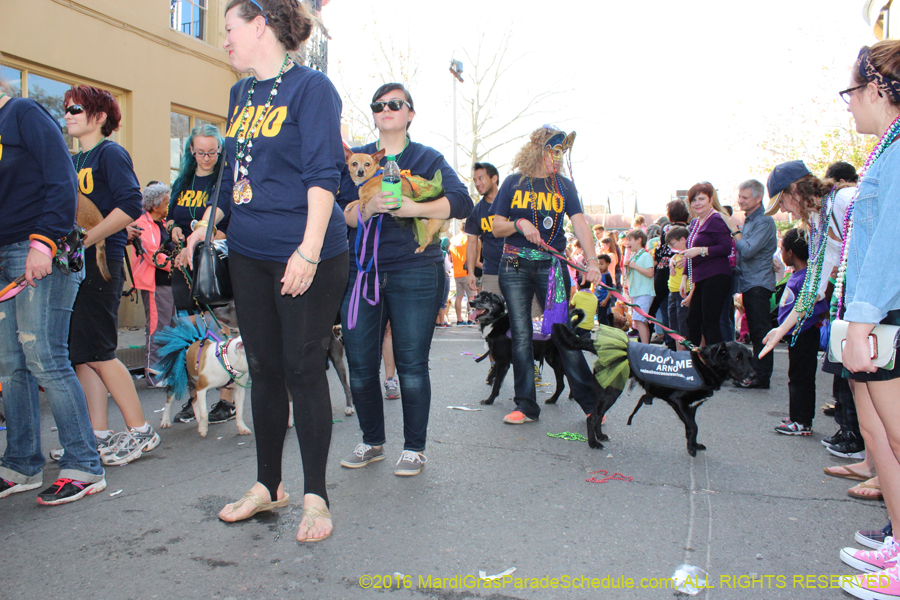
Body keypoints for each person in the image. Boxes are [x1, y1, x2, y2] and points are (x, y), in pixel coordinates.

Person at [182, 0, 349, 542]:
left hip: (307, 250)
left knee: (304, 368)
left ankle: (316, 498)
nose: (223, 40)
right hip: (250, 254)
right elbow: (234, 175)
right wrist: (208, 224)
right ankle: (267, 485)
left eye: (229, 28)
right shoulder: (240, 93)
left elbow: (324, 173)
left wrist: (308, 250)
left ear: (261, 26)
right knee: (263, 366)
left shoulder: (312, 89)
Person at [338, 82, 471, 476]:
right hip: (363, 273)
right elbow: (337, 211)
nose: (386, 109)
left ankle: (414, 448)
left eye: (395, 104)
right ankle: (371, 441)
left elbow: (462, 201)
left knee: (411, 365)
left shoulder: (427, 157)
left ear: (410, 113)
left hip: (415, 270)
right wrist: (367, 209)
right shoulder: (356, 158)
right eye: (379, 104)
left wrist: (414, 206)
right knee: (360, 364)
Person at [0, 87, 106, 505]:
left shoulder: (23, 113)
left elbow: (62, 177)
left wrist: (42, 242)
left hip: (41, 246)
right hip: (5, 250)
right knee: (11, 363)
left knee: (44, 355)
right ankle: (21, 462)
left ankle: (84, 463)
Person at [834, 41, 900, 596]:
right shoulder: (889, 149)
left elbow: (888, 245)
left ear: (879, 89)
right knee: (887, 439)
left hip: (886, 313)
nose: (848, 103)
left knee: (898, 439)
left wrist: (860, 322)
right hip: (880, 311)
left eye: (851, 91)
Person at [64, 85, 159, 466]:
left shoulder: (110, 153)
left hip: (101, 263)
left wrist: (87, 238)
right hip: (75, 264)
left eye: (76, 108)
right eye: (66, 108)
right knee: (82, 354)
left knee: (101, 350)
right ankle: (98, 435)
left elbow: (130, 204)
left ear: (99, 116)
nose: (68, 114)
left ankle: (141, 431)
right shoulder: (72, 161)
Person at [490, 126, 601, 425]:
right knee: (521, 336)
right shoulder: (513, 182)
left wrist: (593, 261)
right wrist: (519, 224)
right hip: (513, 264)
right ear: (538, 149)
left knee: (563, 334)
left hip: (551, 266)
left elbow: (579, 224)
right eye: (554, 151)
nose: (558, 159)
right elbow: (496, 226)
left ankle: (592, 405)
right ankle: (525, 406)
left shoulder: (564, 186)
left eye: (561, 153)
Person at [167, 124, 235, 424]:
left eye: (212, 152)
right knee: (191, 334)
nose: (206, 158)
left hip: (215, 266)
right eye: (200, 152)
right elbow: (170, 218)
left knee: (220, 331)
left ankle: (228, 399)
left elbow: (226, 226)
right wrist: (175, 230)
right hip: (184, 267)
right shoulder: (183, 181)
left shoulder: (225, 181)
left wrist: (199, 238)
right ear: (190, 151)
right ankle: (197, 396)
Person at [772, 229, 828, 435]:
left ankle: (802, 422)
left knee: (802, 378)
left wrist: (810, 324)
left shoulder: (809, 279)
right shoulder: (797, 275)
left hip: (804, 335)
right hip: (795, 336)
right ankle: (796, 416)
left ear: (791, 252)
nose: (781, 254)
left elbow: (820, 308)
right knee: (795, 376)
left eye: (782, 250)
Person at [725, 179, 777, 389]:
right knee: (755, 333)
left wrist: (734, 231)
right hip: (749, 283)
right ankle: (757, 374)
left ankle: (761, 377)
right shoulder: (750, 221)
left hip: (758, 284)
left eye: (745, 197)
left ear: (758, 198)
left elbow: (747, 250)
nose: (741, 201)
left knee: (760, 333)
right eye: (740, 196)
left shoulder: (764, 221)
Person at [129, 183, 175, 388]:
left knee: (169, 327)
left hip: (169, 282)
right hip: (154, 283)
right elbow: (151, 255)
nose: (169, 204)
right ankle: (154, 374)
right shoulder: (142, 223)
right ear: (155, 205)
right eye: (166, 201)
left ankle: (166, 371)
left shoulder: (163, 223)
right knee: (157, 328)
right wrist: (177, 266)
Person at [680, 182, 733, 346]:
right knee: (693, 320)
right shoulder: (695, 222)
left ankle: (715, 365)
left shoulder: (716, 219)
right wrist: (684, 277)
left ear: (711, 199)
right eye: (694, 199)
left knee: (710, 321)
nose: (697, 203)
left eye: (701, 198)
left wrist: (701, 250)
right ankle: (695, 360)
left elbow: (726, 248)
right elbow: (690, 252)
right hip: (700, 277)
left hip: (716, 275)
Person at [466, 162, 503, 296]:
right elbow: (471, 243)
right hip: (491, 272)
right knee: (491, 315)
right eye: (475, 180)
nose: (477, 184)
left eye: (481, 178)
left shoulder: (512, 202)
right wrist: (471, 273)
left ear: (494, 179)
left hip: (516, 270)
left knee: (518, 315)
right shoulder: (476, 211)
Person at [623, 229, 654, 343]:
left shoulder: (645, 255)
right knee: (641, 320)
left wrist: (634, 266)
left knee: (638, 319)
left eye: (630, 240)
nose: (627, 243)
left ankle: (645, 346)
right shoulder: (635, 256)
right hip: (637, 292)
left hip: (644, 292)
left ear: (639, 240)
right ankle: (645, 344)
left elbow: (650, 273)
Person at [666, 226, 690, 345]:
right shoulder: (676, 255)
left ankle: (684, 355)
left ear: (683, 240)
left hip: (683, 293)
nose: (671, 247)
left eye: (673, 243)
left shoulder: (690, 255)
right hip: (673, 292)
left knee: (683, 328)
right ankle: (678, 355)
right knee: (675, 327)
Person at [448, 229, 471, 325]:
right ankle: (470, 319)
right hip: (467, 271)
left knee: (459, 297)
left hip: (456, 272)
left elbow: (450, 258)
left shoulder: (453, 239)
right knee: (471, 296)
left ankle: (459, 319)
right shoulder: (467, 238)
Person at [594, 254, 613, 326]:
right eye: (598, 264)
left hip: (603, 299)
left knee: (602, 317)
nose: (599, 266)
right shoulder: (599, 274)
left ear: (607, 264)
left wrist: (606, 300)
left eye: (601, 264)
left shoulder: (607, 276)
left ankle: (604, 330)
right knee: (599, 316)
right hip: (598, 298)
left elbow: (611, 289)